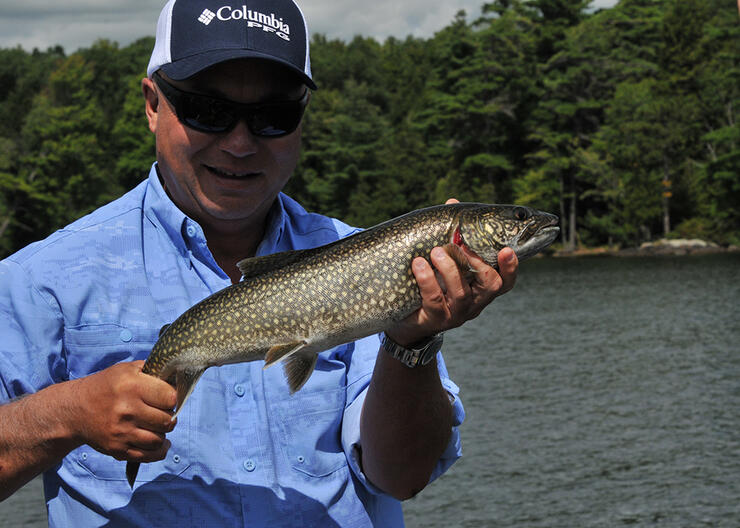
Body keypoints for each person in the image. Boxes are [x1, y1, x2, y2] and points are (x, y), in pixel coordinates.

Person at [0, 0, 518, 526]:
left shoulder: (376, 262)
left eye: (273, 116)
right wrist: (63, 415)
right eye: (208, 111)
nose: (241, 143)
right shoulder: (40, 279)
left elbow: (401, 478)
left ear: (301, 118)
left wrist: (414, 343)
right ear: (153, 103)